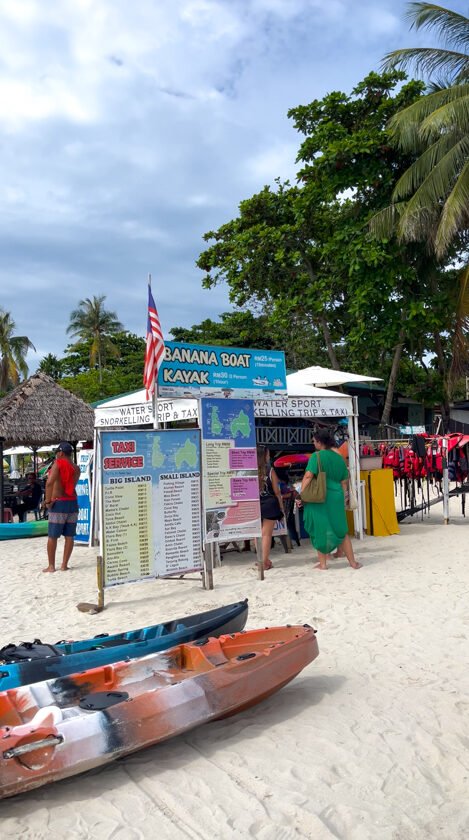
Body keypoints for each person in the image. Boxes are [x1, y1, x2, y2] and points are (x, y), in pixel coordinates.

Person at [301, 429, 361, 571]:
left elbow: (309, 476)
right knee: (341, 529)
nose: (314, 444)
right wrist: (343, 497)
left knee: (320, 528)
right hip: (337, 495)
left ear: (320, 442)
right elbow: (344, 481)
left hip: (320, 496)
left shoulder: (317, 456)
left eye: (314, 441)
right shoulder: (339, 457)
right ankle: (353, 563)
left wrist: (302, 492)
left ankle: (323, 565)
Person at [43, 442, 80, 573]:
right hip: (73, 503)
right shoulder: (76, 468)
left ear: (61, 453)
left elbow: (49, 484)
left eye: (57, 453)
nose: (56, 455)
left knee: (53, 536)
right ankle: (64, 565)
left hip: (58, 503)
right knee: (69, 536)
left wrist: (47, 502)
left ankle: (51, 566)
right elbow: (70, 485)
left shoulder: (57, 464)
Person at [257, 446, 284, 570]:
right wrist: (281, 507)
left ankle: (261, 560)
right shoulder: (270, 470)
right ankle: (264, 561)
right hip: (270, 503)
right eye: (268, 455)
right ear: (265, 456)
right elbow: (277, 491)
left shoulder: (250, 470)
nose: (269, 457)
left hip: (255, 504)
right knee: (267, 534)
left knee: (257, 534)